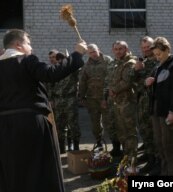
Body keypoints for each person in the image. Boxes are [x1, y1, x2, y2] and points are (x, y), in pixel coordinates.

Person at [0, 29, 86, 192]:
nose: (31, 48)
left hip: (4, 128)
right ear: (18, 44)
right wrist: (77, 54)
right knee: (38, 169)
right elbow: (51, 73)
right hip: (30, 124)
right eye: (28, 43)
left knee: (13, 170)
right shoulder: (25, 60)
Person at [145, 37, 173, 175]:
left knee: (169, 146)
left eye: (159, 54)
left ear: (167, 49)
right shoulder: (158, 66)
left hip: (168, 112)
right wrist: (148, 83)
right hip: (156, 111)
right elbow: (152, 87)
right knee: (160, 144)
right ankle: (165, 172)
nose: (157, 57)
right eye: (155, 54)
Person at [79, 44, 121, 155]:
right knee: (95, 124)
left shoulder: (108, 61)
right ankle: (99, 143)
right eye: (90, 52)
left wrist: (106, 97)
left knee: (110, 122)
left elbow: (112, 79)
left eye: (94, 51)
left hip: (107, 98)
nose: (92, 54)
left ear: (99, 50)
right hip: (92, 99)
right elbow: (82, 82)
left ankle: (116, 146)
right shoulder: (86, 65)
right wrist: (81, 97)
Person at [108, 40, 138, 163]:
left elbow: (127, 81)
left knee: (130, 132)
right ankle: (126, 157)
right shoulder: (116, 63)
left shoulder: (130, 62)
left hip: (127, 102)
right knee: (121, 131)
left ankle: (132, 160)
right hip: (117, 103)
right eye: (116, 49)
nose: (118, 51)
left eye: (121, 49)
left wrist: (113, 89)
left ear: (126, 49)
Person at [135, 36, 158, 175]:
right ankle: (149, 156)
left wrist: (140, 71)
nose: (145, 50)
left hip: (152, 102)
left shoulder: (157, 61)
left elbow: (150, 81)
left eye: (148, 47)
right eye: (143, 47)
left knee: (152, 133)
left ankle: (155, 160)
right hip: (142, 102)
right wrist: (137, 70)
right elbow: (136, 82)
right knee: (144, 131)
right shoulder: (143, 61)